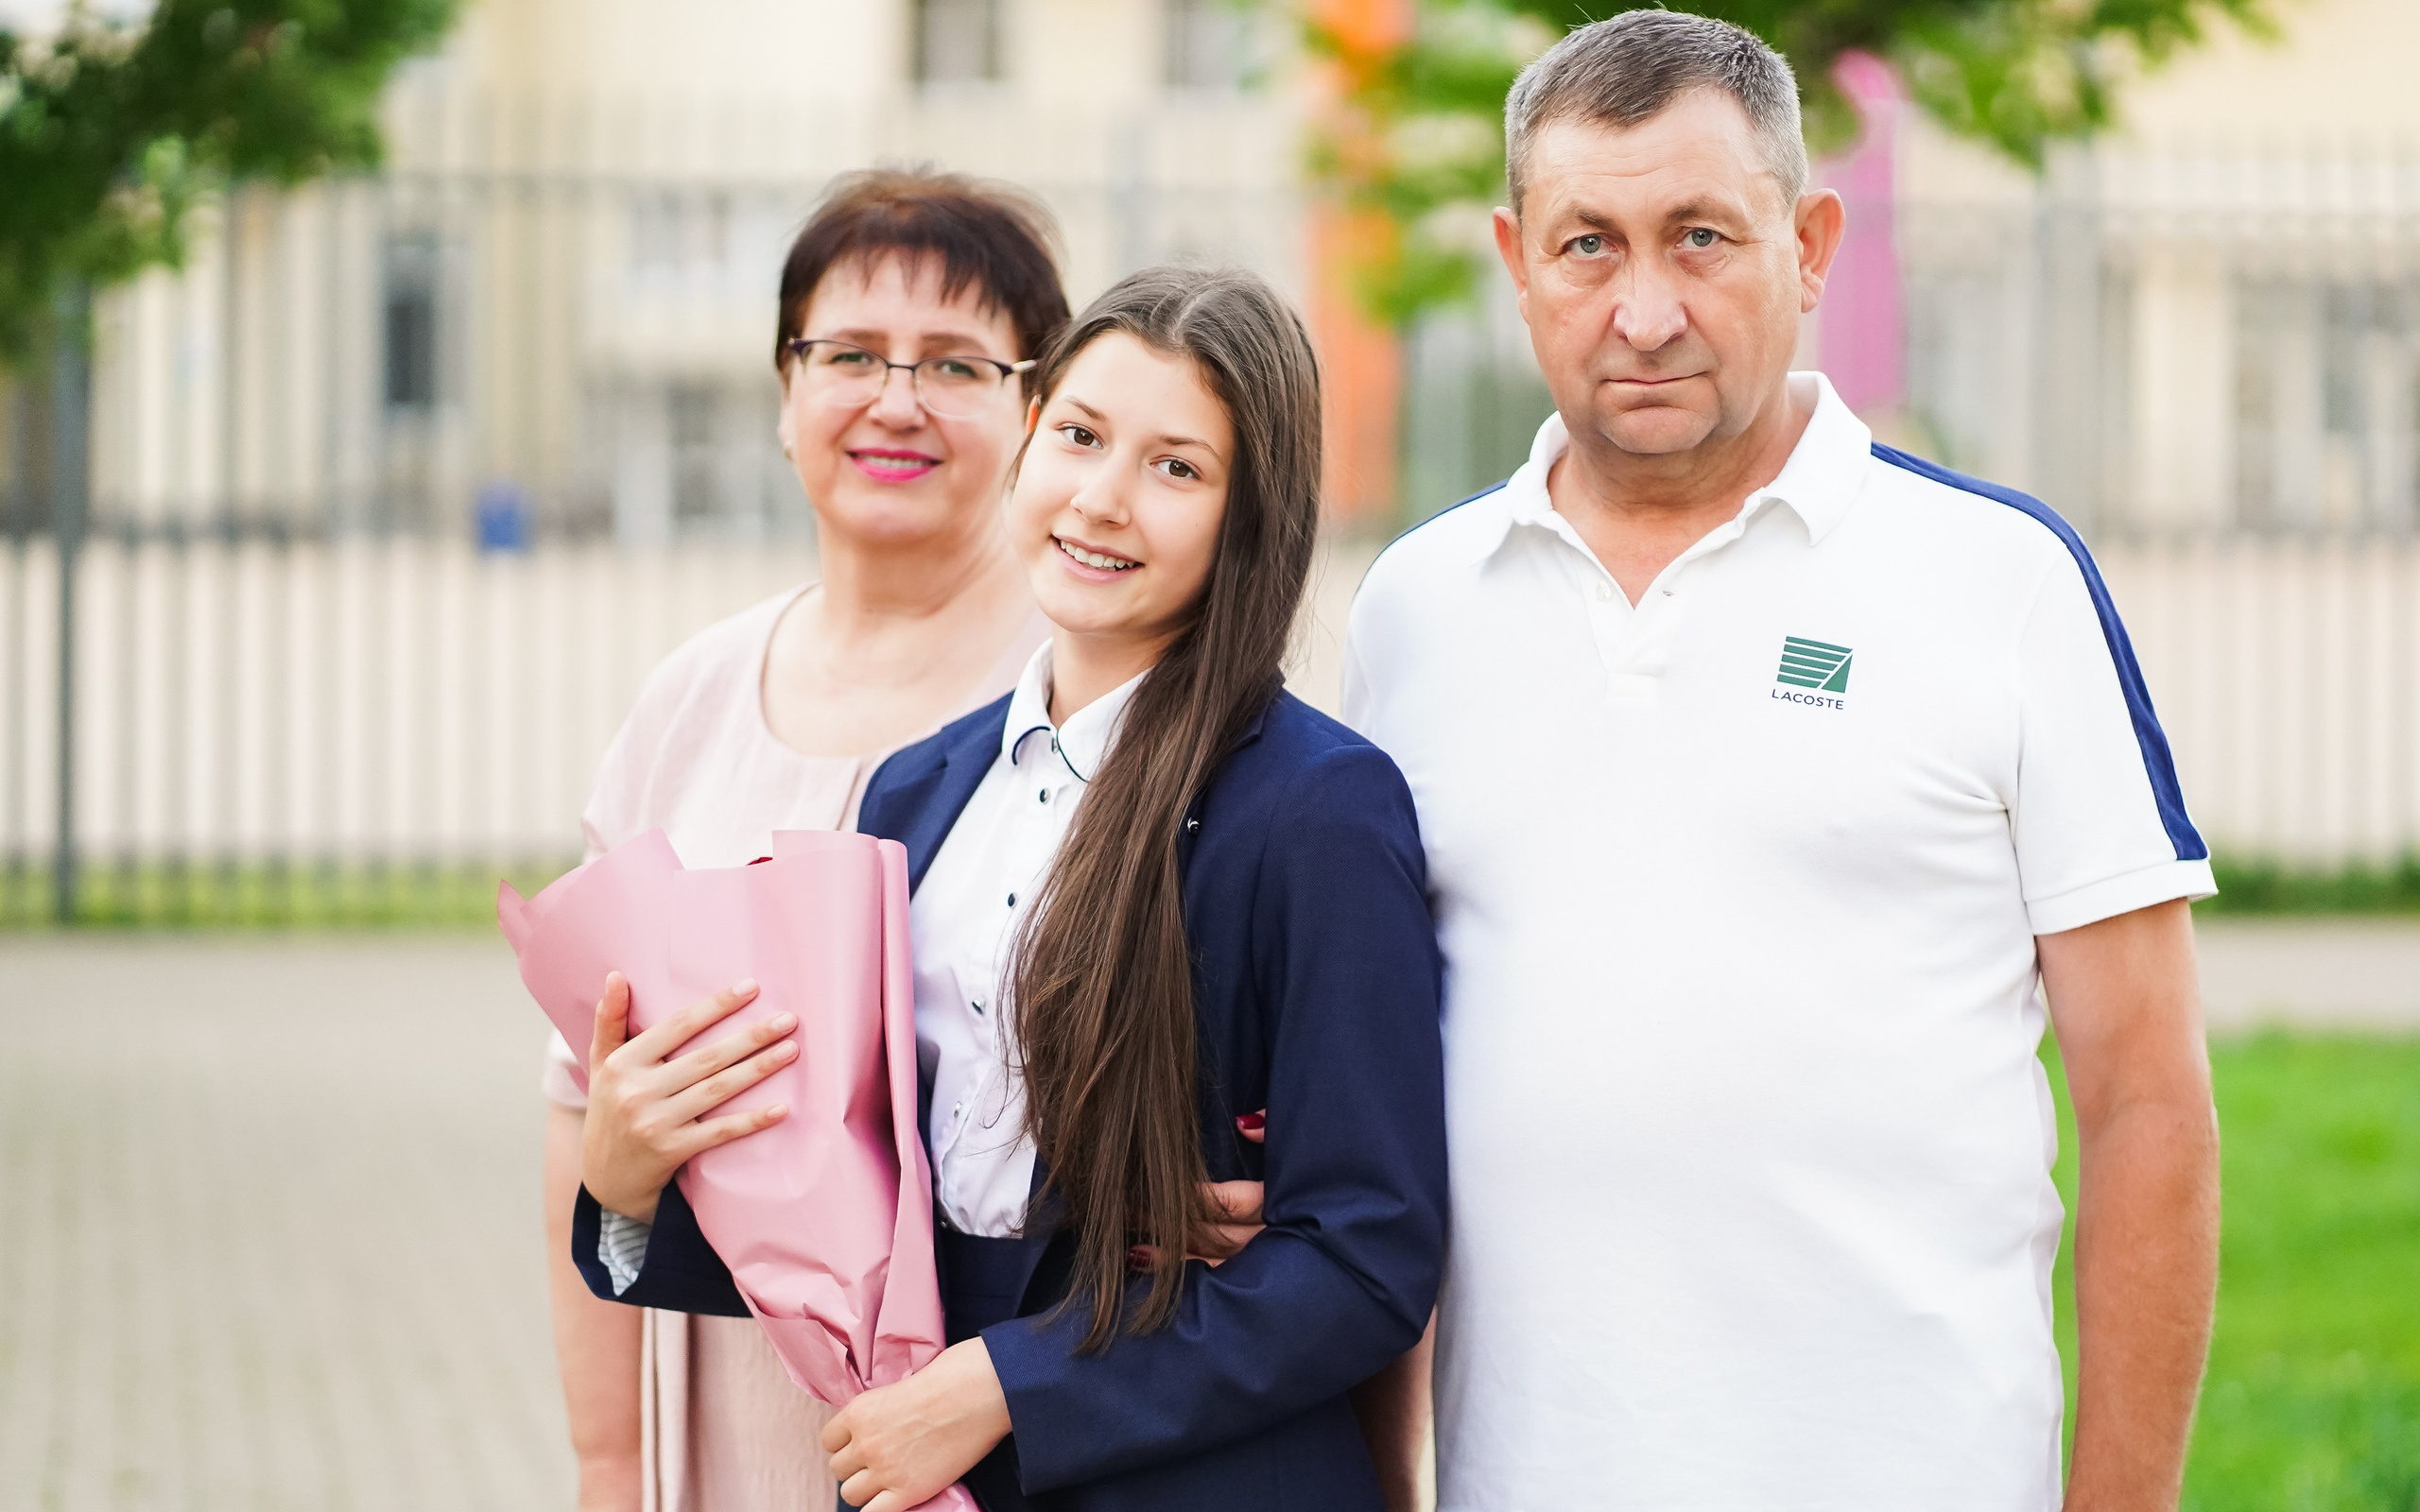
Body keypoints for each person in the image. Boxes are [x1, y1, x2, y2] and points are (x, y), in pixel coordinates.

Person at [1343, 12, 2220, 1512]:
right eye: (1588, 246)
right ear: (1515, 262)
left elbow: (2147, 1104)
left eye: (1701, 237)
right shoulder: (1415, 611)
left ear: (1808, 246)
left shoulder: (2000, 581)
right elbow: (1381, 1109)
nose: (1644, 312)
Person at [568, 265, 1448, 1512]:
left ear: (1249, 516)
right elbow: (857, 1208)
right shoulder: (914, 792)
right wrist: (626, 1184)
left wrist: (1007, 1388)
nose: (1103, 499)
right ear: (1030, 437)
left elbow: (1366, 1257)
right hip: (929, 1472)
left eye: (1176, 467)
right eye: (1081, 436)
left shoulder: (1317, 808)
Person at [539, 167, 1065, 1512]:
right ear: (787, 394)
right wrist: (609, 1466)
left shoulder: (1082, 694)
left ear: (1035, 410)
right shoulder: (691, 701)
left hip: (1000, 1434)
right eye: (850, 355)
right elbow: (581, 1108)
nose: (896, 400)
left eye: (955, 363)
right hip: (722, 1414)